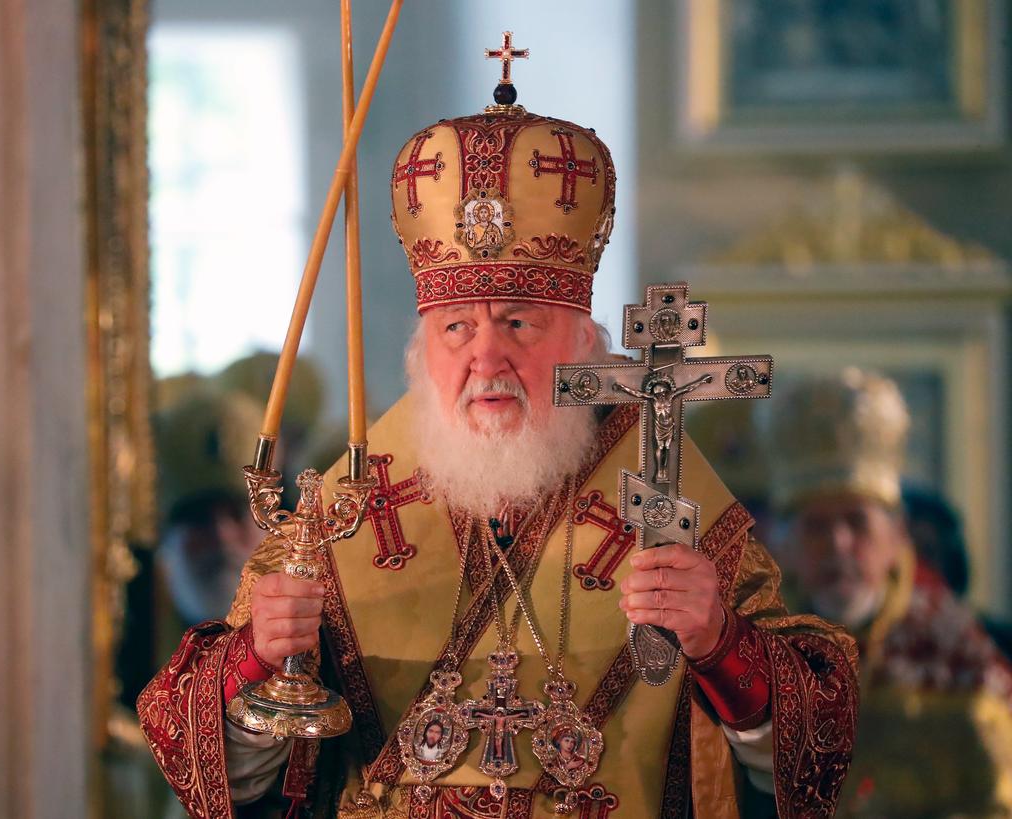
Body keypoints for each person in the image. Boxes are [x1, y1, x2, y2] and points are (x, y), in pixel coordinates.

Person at [138, 70, 858, 819]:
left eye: (518, 322)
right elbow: (208, 769)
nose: (486, 358)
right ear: (423, 351)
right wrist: (255, 657)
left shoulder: (669, 491)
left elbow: (816, 749)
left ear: (585, 342)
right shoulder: (342, 512)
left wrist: (720, 641)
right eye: (457, 328)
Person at [771, 368, 1012, 818]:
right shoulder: (756, 647)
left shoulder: (956, 657)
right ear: (784, 544)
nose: (838, 544)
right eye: (816, 526)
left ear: (897, 536)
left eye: (856, 522)